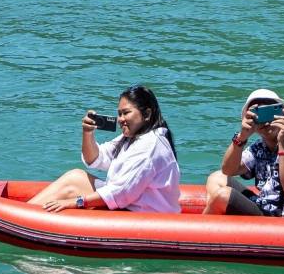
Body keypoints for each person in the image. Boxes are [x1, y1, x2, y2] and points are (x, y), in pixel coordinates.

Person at [30, 85, 180, 213]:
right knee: (75, 176)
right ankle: (24, 212)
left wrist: (76, 202)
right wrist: (88, 133)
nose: (121, 119)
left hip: (144, 216)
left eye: (126, 113)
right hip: (131, 205)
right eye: (119, 114)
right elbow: (95, 159)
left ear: (147, 114)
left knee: (71, 186)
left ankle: (23, 215)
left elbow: (121, 193)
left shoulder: (150, 146)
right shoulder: (132, 138)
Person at [204, 89, 284, 216]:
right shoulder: (259, 147)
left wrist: (283, 143)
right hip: (264, 209)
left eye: (270, 114)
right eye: (258, 115)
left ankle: (200, 232)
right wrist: (241, 137)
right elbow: (228, 170)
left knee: (223, 196)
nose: (266, 122)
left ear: (283, 115)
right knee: (216, 178)